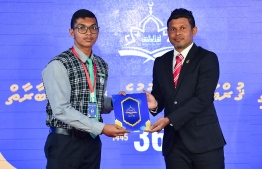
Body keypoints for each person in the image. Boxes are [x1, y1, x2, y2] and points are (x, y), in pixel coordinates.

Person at [42, 9, 129, 169]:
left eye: (93, 28)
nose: (88, 33)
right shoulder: (59, 64)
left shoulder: (101, 65)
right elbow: (61, 110)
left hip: (92, 142)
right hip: (65, 143)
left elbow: (93, 102)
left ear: (98, 31)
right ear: (71, 32)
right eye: (81, 28)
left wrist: (117, 102)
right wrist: (101, 128)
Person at [145, 8, 226, 169]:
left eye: (183, 28)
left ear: (193, 31)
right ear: (167, 33)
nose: (177, 33)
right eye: (173, 29)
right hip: (174, 145)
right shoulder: (161, 62)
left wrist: (169, 120)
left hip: (205, 143)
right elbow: (160, 96)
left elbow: (203, 99)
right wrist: (154, 104)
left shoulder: (207, 58)